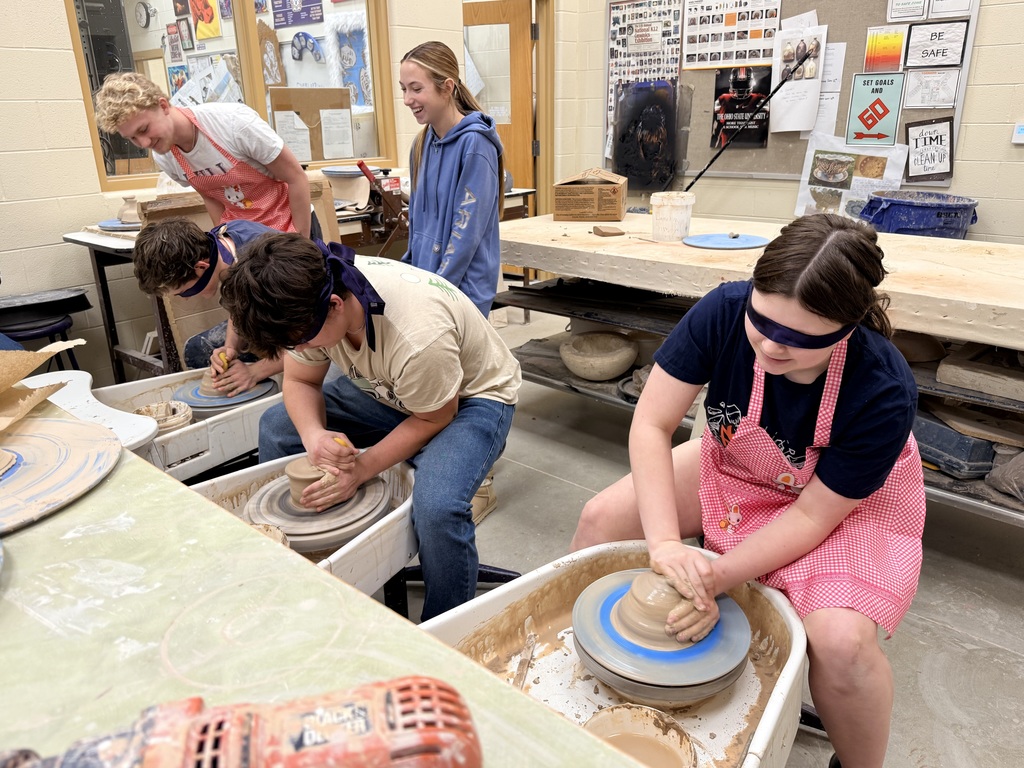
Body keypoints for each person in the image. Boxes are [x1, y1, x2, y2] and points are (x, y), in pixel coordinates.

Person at [570, 214, 926, 768]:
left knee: (841, 645)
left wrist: (719, 574)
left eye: (800, 339)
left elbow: (812, 517)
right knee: (602, 520)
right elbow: (652, 425)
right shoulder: (724, 311)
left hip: (841, 505)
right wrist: (665, 545)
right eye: (763, 323)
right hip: (741, 462)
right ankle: (588, 673)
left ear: (846, 329)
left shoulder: (882, 387)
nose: (771, 348)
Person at [219, 232, 521, 620]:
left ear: (333, 306)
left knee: (438, 507)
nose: (300, 348)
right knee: (279, 426)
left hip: (470, 399)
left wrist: (362, 467)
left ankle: (445, 628)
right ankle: (307, 567)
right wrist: (313, 436)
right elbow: (300, 381)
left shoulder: (417, 337)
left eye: (300, 341)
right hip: (390, 390)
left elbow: (435, 417)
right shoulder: (304, 300)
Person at [93, 72, 319, 239]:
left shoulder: (234, 124)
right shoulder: (166, 157)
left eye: (143, 130)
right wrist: (224, 241)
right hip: (246, 235)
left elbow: (295, 177)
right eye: (132, 138)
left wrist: (300, 242)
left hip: (292, 224)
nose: (144, 143)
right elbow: (212, 196)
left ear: (163, 106)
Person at [399, 41, 505, 318]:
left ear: (446, 87)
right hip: (427, 282)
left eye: (416, 88)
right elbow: (417, 225)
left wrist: (436, 289)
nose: (408, 99)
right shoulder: (421, 144)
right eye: (404, 89)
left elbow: (465, 233)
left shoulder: (476, 144)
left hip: (460, 290)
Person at [132, 217, 283, 393]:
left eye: (184, 292)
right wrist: (230, 347)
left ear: (200, 267)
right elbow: (239, 305)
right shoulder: (221, 243)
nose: (186, 299)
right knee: (197, 350)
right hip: (278, 313)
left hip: (312, 329)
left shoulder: (265, 270)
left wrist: (255, 372)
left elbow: (312, 342)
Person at [711, 66, 767, 148]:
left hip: (753, 147)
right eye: (737, 84)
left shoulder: (759, 99)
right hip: (726, 148)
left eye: (744, 84)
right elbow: (716, 128)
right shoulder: (723, 99)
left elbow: (765, 128)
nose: (741, 88)